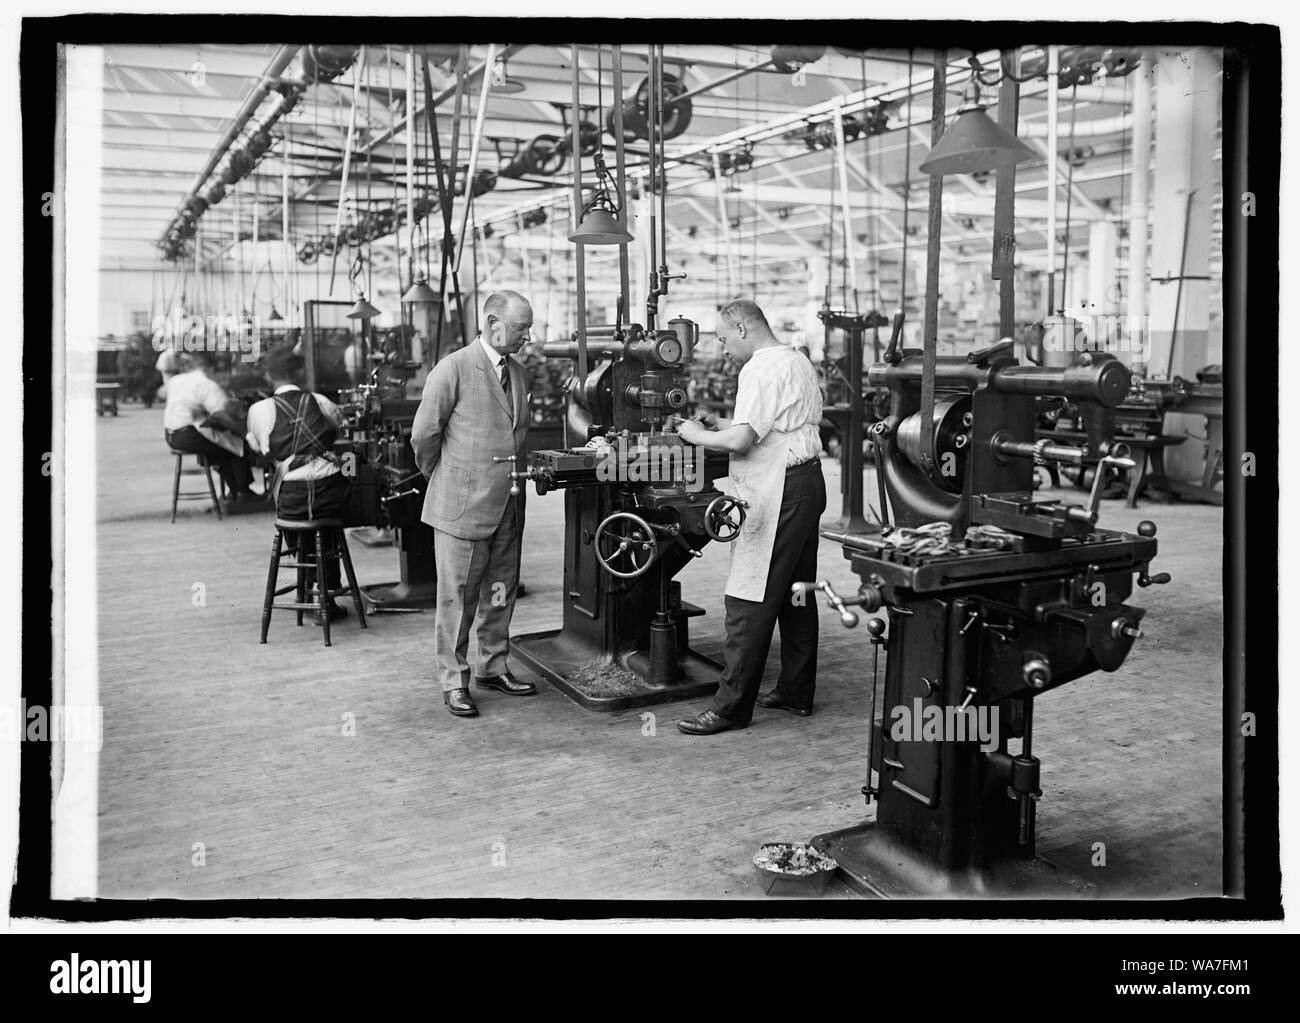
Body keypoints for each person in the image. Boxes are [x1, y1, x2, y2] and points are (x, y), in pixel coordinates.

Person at [673, 299, 826, 735]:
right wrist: (723, 422)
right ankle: (796, 691)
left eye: (722, 338)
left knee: (748, 597)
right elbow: (777, 422)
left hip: (780, 489)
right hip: (806, 483)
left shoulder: (758, 368)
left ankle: (730, 708)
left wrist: (695, 434)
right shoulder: (794, 359)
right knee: (796, 593)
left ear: (742, 328)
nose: (722, 349)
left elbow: (743, 442)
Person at [410, 290, 537, 719]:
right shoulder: (454, 369)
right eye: (521, 328)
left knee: (500, 591)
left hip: (508, 503)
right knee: (458, 599)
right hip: (461, 506)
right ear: (493, 322)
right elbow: (424, 436)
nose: (527, 336)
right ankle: (454, 680)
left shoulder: (518, 374)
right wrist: (444, 479)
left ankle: (492, 665)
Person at [246, 348, 352, 623]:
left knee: (296, 515)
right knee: (326, 526)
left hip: (292, 497)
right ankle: (325, 594)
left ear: (268, 376)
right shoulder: (321, 401)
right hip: (330, 492)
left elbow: (260, 450)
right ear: (299, 373)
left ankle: (306, 586)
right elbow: (339, 430)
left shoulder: (259, 410)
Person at [162, 350, 260, 502]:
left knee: (223, 448)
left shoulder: (177, 380)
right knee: (236, 444)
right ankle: (242, 491)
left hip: (171, 434)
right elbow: (219, 415)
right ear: (211, 368)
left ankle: (234, 491)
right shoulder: (206, 384)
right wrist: (244, 434)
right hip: (188, 434)